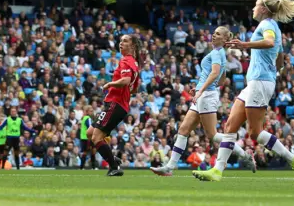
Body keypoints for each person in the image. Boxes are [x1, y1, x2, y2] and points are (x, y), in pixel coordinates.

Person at [193, 0, 294, 182]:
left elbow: (270, 43)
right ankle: (217, 171)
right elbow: (279, 55)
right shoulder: (272, 26)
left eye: (255, 5)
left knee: (255, 132)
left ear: (263, 8)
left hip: (260, 82)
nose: (253, 8)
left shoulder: (267, 25)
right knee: (230, 126)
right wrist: (272, 67)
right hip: (257, 81)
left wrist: (244, 45)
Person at [150, 26, 256, 176]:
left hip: (205, 96)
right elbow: (222, 79)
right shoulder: (218, 53)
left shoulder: (218, 53)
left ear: (225, 40)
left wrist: (200, 91)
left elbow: (214, 74)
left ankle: (244, 155)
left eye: (218, 34)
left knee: (212, 135)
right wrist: (200, 88)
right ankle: (170, 167)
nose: (214, 36)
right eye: (214, 33)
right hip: (204, 94)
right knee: (183, 130)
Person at [88, 34, 142, 176]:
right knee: (90, 133)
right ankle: (112, 159)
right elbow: (135, 88)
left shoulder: (126, 61)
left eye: (125, 41)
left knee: (96, 138)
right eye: (120, 41)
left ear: (133, 45)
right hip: (118, 104)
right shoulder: (134, 64)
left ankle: (114, 167)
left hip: (115, 103)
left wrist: (110, 84)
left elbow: (125, 81)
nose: (121, 43)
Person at [79, 105, 96, 170]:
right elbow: (90, 127)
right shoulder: (88, 118)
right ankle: (93, 167)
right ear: (87, 112)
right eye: (90, 111)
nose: (92, 112)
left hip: (84, 137)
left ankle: (82, 167)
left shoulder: (84, 118)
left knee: (88, 151)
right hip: (87, 138)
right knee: (91, 151)